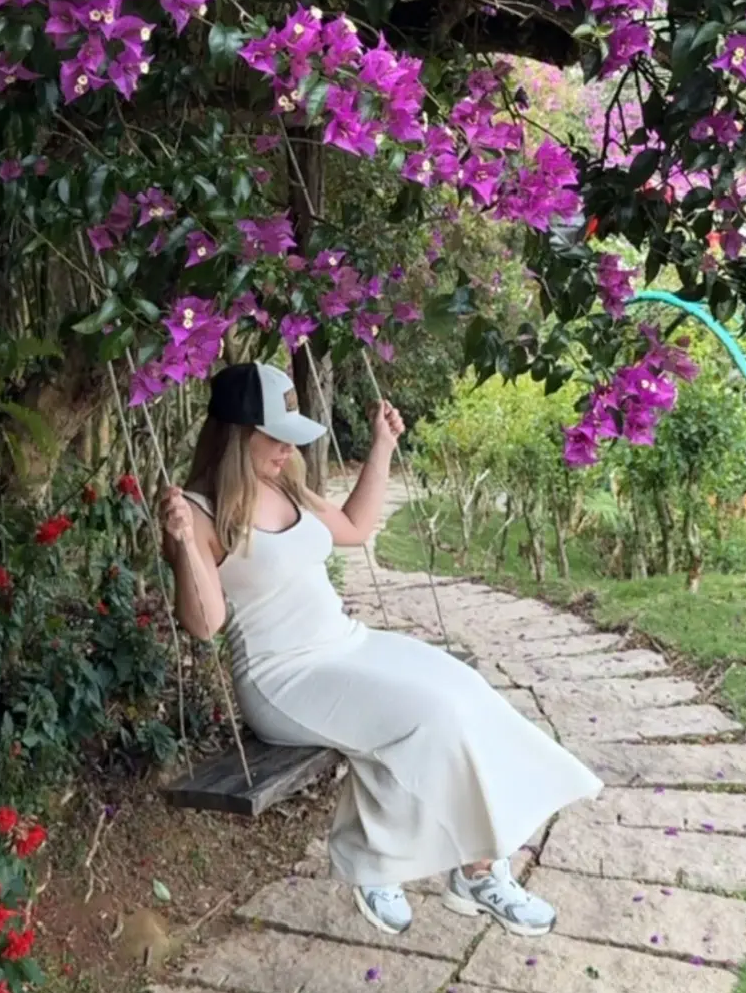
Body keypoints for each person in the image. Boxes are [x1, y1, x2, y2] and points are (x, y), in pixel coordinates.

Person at [160, 360, 603, 938]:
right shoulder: (199, 511)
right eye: (276, 437)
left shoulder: (286, 485)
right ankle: (402, 864)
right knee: (429, 715)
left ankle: (472, 868)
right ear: (238, 435)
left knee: (466, 691)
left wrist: (382, 446)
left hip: (347, 644)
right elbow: (205, 624)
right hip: (282, 677)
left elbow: (353, 527)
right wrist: (183, 546)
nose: (287, 449)